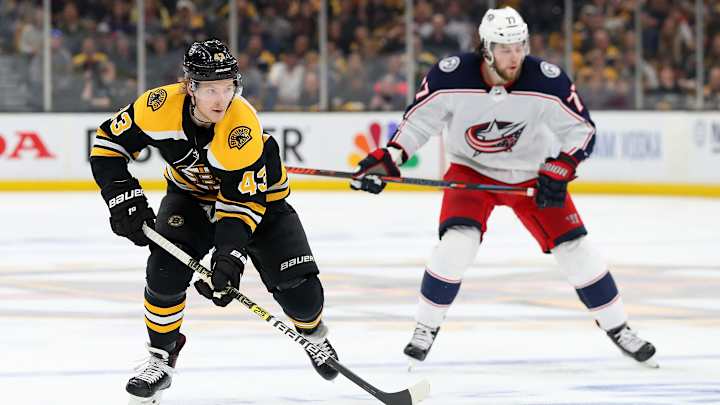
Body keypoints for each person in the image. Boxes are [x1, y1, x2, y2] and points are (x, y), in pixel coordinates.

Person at [351, 7, 657, 368]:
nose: (515, 56)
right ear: (486, 48)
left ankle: (619, 328)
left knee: (576, 249)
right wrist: (390, 157)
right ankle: (425, 327)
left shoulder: (546, 80)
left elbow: (582, 130)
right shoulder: (451, 75)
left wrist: (563, 164)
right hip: (471, 172)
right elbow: (418, 125)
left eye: (519, 47)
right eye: (505, 48)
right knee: (456, 245)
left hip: (532, 176)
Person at [89, 39, 339, 404]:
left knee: (302, 296)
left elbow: (240, 206)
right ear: (189, 86)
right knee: (163, 272)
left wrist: (229, 258)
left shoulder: (242, 127)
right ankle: (161, 358)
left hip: (260, 204)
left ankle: (313, 334)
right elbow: (108, 144)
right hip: (190, 199)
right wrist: (123, 198)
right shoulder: (157, 106)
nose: (221, 99)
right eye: (210, 89)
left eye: (228, 87)